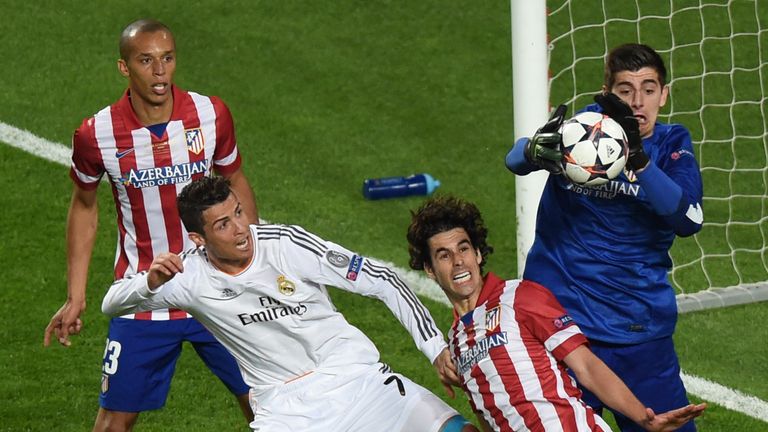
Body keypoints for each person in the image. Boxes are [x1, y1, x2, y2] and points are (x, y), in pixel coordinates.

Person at [101, 176, 478, 432]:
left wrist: (435, 349)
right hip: (287, 413)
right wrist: (149, 283)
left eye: (238, 213)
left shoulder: (285, 244)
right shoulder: (189, 277)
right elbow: (110, 303)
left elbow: (382, 280)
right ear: (199, 238)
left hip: (359, 382)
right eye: (223, 225)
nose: (240, 229)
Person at [42, 19, 259, 431]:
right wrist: (76, 295)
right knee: (112, 423)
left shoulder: (211, 115)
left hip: (217, 289)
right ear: (125, 67)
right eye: (146, 60)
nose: (160, 72)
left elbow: (235, 181)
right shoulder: (97, 134)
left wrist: (256, 262)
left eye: (167, 58)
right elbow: (84, 207)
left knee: (268, 407)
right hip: (144, 296)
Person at [505, 43, 704, 431]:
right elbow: (514, 160)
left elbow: (688, 219)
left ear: (664, 94)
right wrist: (531, 151)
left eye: (649, 89)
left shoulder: (671, 145)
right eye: (625, 90)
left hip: (638, 332)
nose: (638, 101)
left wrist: (638, 160)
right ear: (608, 93)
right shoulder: (585, 131)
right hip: (564, 330)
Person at [406, 195, 706, 432]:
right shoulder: (457, 343)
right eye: (444, 256)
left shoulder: (521, 296)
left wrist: (644, 418)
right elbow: (489, 415)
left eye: (464, 249)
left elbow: (587, 366)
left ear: (478, 254)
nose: (458, 262)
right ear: (430, 271)